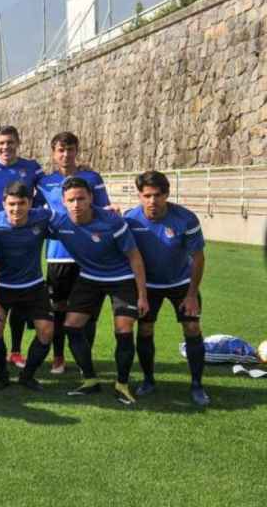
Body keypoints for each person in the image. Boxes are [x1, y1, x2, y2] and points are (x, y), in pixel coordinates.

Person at [49, 177, 149, 405]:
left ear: (91, 198)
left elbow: (134, 256)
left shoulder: (112, 222)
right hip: (90, 278)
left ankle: (122, 384)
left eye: (81, 198)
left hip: (122, 279)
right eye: (71, 200)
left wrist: (142, 295)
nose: (76, 204)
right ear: (63, 202)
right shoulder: (61, 223)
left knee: (123, 330)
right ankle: (91, 380)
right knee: (71, 327)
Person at [124, 171, 209, 406]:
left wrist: (192, 295)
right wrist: (140, 294)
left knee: (192, 327)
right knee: (145, 330)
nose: (152, 201)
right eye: (147, 195)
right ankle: (148, 380)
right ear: (139, 196)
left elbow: (199, 259)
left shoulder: (186, 219)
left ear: (167, 195)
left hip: (181, 283)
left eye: (158, 195)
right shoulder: (129, 219)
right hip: (148, 285)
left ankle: (197, 385)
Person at [36, 131, 112, 374]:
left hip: (89, 254)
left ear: (77, 151)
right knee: (58, 309)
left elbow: (103, 208)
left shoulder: (92, 177)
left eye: (70, 150)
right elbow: (36, 213)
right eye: (61, 150)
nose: (66, 155)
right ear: (53, 153)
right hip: (58, 255)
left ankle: (84, 359)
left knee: (87, 311)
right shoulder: (44, 182)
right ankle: (58, 357)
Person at [0, 125, 44, 371]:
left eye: (10, 142)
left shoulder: (32, 167)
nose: (6, 147)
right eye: (1, 143)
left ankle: (16, 351)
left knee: (19, 302)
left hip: (22, 229)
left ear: (18, 142)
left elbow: (46, 188)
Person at [0, 181, 54, 391]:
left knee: (46, 331)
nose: (16, 209)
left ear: (30, 203)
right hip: (2, 287)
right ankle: (2, 376)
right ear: (3, 203)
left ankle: (27, 376)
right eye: (11, 203)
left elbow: (72, 216)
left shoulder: (42, 218)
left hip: (33, 286)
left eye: (22, 203)